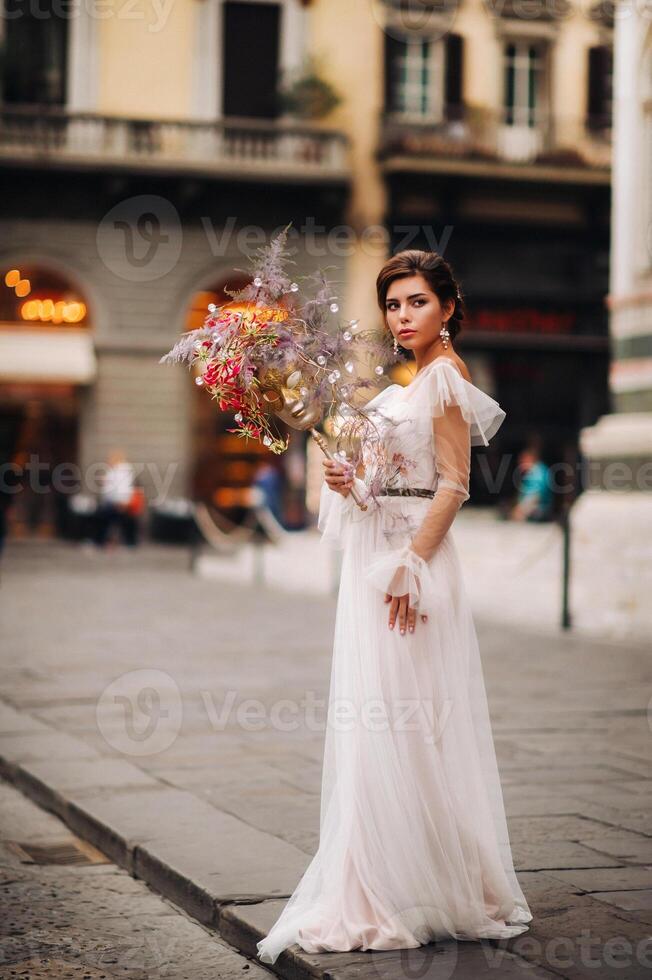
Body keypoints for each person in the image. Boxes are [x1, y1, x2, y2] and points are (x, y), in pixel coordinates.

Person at [256, 250, 532, 965]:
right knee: (381, 717)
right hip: (379, 553)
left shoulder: (444, 377)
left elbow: (453, 485)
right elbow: (390, 487)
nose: (402, 316)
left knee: (406, 718)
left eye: (416, 302)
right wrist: (351, 482)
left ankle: (411, 883)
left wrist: (412, 569)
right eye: (393, 304)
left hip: (410, 563)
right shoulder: (402, 383)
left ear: (447, 305)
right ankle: (387, 873)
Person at [94, 449, 140, 548]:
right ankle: (105, 541)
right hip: (114, 503)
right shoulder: (114, 471)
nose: (109, 461)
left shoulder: (122, 471)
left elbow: (123, 488)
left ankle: (101, 541)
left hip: (119, 504)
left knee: (103, 518)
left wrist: (122, 502)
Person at [510, 441, 553, 522]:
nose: (520, 464)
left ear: (529, 459)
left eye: (522, 460)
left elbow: (535, 496)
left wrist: (520, 511)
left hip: (538, 515)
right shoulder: (534, 471)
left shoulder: (538, 472)